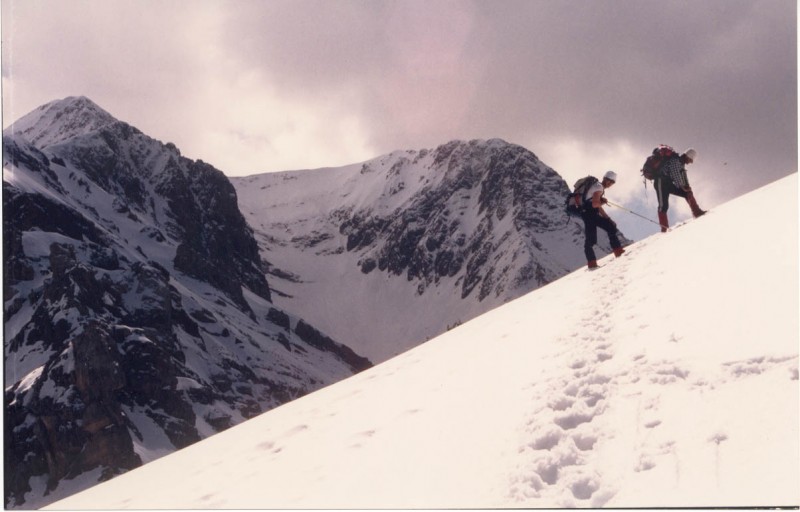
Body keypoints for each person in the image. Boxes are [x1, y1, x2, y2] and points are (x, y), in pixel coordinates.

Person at [654, 148, 706, 232]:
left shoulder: (681, 164)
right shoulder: (675, 161)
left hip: (668, 184)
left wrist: (687, 187)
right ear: (687, 156)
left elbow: (683, 177)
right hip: (661, 183)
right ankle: (664, 228)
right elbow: (676, 176)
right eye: (690, 159)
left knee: (687, 193)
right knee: (663, 205)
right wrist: (683, 187)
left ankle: (697, 212)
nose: (691, 162)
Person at [581, 170, 625, 269]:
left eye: (612, 182)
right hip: (590, 214)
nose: (609, 183)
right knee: (592, 239)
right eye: (608, 180)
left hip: (588, 213)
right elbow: (595, 204)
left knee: (609, 228)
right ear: (604, 178)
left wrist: (608, 218)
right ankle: (617, 252)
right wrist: (602, 202)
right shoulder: (599, 187)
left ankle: (593, 263)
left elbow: (596, 206)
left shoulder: (596, 186)